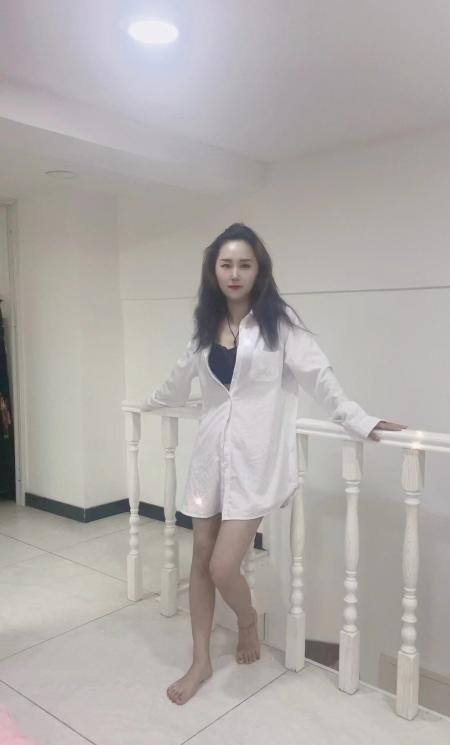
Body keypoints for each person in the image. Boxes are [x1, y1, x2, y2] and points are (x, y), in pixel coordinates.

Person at [146, 223, 407, 705]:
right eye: (226, 264)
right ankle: (200, 660)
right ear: (213, 271)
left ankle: (248, 619)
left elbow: (320, 377)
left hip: (254, 461)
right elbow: (179, 379)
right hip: (208, 459)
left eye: (244, 264)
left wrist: (360, 419)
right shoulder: (205, 326)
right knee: (199, 557)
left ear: (259, 270)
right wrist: (150, 402)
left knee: (223, 565)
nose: (234, 273)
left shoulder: (279, 324)